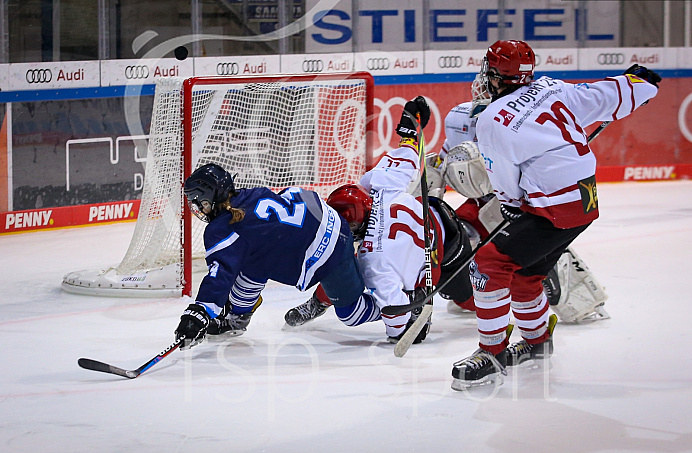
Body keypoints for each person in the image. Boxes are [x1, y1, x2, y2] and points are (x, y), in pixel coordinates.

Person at [449, 40, 660, 390]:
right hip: (584, 202)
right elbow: (605, 95)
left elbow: (505, 185)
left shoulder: (491, 120)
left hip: (552, 208)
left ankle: (491, 354)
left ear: (497, 76)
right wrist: (641, 83)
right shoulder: (551, 88)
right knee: (527, 273)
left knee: (488, 263)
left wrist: (511, 207)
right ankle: (536, 342)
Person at [284, 96, 474, 344]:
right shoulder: (383, 186)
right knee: (350, 266)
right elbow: (407, 152)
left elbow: (397, 327)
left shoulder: (375, 261)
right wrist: (410, 127)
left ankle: (414, 297)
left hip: (445, 253)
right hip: (441, 220)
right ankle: (320, 301)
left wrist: (404, 326)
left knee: (466, 300)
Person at [433, 74, 610, 324]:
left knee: (534, 250)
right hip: (487, 202)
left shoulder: (524, 118)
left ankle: (579, 300)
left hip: (524, 203)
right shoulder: (460, 120)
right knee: (455, 235)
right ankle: (473, 295)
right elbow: (440, 163)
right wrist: (429, 207)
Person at [174, 163, 374, 349]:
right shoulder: (251, 194)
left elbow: (220, 274)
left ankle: (397, 307)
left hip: (331, 250)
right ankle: (240, 315)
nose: (197, 208)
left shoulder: (222, 229)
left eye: (197, 202)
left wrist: (199, 313)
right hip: (329, 220)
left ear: (208, 199)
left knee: (351, 314)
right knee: (254, 257)